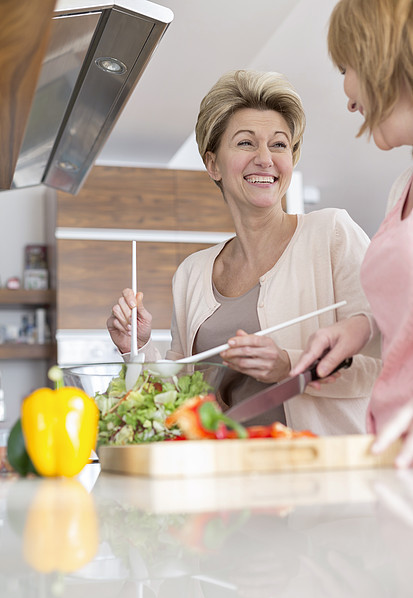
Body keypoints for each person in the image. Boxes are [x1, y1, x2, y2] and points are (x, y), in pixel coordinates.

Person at [107, 69, 381, 436]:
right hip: (225, 479)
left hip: (325, 478)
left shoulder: (331, 233)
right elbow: (178, 398)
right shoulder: (193, 272)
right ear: (213, 163)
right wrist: (136, 349)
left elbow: (385, 361)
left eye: (280, 144)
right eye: (246, 143)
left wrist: (289, 366)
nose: (266, 158)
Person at [291, 0, 413, 464]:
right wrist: (361, 328)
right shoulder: (402, 188)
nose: (347, 97)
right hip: (394, 458)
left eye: (346, 67)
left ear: (382, 55)